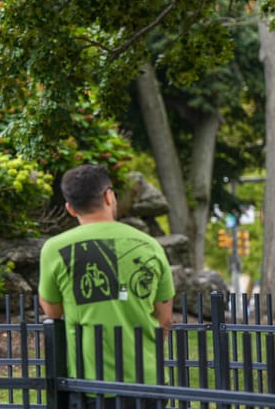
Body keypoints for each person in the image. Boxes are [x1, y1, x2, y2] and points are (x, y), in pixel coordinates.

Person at [38, 164, 175, 409]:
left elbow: (52, 312)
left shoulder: (54, 249)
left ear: (70, 208)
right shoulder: (150, 245)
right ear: (109, 196)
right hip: (147, 380)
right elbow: (164, 319)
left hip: (88, 381)